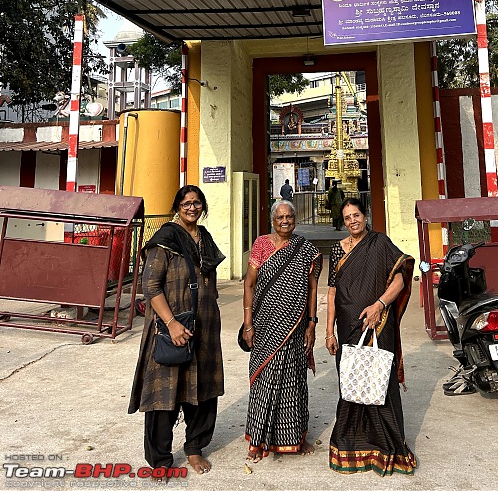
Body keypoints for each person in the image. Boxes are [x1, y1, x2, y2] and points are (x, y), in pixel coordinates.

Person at [128, 185, 225, 478]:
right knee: (164, 394)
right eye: (186, 203)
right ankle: (160, 460)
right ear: (177, 207)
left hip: (204, 326)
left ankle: (194, 448)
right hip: (170, 326)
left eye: (197, 203)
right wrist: (171, 323)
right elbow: (151, 286)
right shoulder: (165, 241)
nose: (192, 208)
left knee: (203, 392)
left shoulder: (205, 239)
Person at [325, 198, 416, 476]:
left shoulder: (380, 243)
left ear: (366, 216)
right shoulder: (337, 249)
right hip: (347, 327)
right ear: (343, 221)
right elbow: (331, 292)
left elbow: (400, 280)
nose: (353, 220)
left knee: (380, 382)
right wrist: (328, 330)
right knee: (351, 381)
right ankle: (349, 445)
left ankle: (387, 446)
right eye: (348, 217)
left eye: (357, 215)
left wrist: (379, 305)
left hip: (378, 324)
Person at [242, 201, 322, 461]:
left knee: (295, 380)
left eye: (289, 217)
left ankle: (297, 436)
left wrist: (311, 323)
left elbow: (312, 288)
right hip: (265, 326)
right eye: (280, 217)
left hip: (296, 326)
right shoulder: (261, 245)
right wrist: (247, 322)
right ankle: (258, 440)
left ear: (295, 219)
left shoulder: (306, 249)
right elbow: (249, 283)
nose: (285, 221)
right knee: (264, 380)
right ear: (272, 220)